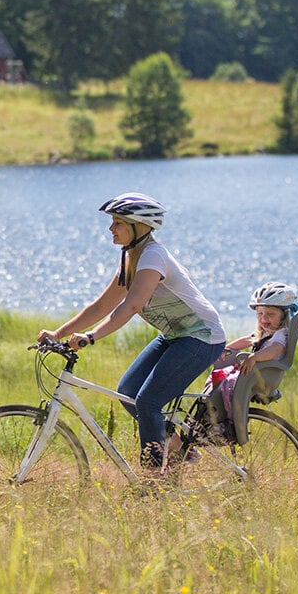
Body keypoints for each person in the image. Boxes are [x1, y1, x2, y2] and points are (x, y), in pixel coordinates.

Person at [37, 193, 226, 469]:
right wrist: (59, 333)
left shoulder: (153, 256)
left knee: (148, 402)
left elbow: (132, 305)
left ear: (138, 226)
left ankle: (152, 482)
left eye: (118, 223)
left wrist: (91, 337)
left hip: (202, 337)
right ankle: (178, 450)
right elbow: (101, 306)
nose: (111, 229)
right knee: (128, 391)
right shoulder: (131, 258)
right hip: (175, 335)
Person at [206, 281, 298, 429]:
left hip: (263, 374)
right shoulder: (269, 331)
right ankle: (211, 412)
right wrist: (225, 348)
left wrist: (254, 357)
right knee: (218, 377)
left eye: (270, 314)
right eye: (260, 314)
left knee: (228, 385)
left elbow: (275, 349)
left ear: (284, 315)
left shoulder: (280, 334)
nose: (263, 319)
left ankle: (231, 422)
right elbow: (248, 340)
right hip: (255, 372)